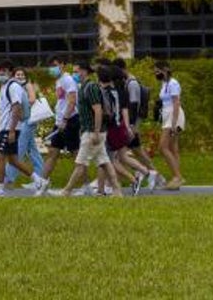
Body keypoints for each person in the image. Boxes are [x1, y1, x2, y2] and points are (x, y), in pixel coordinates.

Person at [50, 62, 121, 197]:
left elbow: (98, 110)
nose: (74, 74)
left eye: (77, 71)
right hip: (91, 131)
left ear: (85, 71)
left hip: (92, 132)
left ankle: (66, 191)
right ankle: (117, 190)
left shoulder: (91, 87)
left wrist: (95, 132)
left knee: (80, 163)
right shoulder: (83, 87)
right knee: (105, 162)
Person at [0, 60, 49, 197]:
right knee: (13, 160)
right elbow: (4, 111)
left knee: (1, 158)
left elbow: (16, 108)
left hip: (10, 129)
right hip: (6, 128)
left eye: (3, 72)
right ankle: (39, 180)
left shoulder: (13, 86)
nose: (0, 74)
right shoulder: (4, 87)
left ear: (10, 72)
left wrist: (11, 130)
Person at [115, 58, 160, 193]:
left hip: (132, 122)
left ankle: (146, 173)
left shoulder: (132, 83)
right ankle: (154, 174)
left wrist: (132, 125)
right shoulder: (127, 82)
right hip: (130, 122)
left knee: (121, 153)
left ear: (122, 69)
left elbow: (134, 104)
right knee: (136, 150)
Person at [38, 55, 79, 184]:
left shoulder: (67, 80)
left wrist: (65, 120)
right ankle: (41, 182)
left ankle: (86, 186)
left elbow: (72, 101)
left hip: (69, 120)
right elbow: (62, 102)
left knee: (76, 155)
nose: (52, 69)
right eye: (50, 66)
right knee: (52, 152)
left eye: (55, 65)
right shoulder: (59, 80)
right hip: (60, 121)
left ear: (62, 65)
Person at [4, 67, 46, 190]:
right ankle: (41, 178)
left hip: (28, 120)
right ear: (14, 76)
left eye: (22, 74)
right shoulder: (15, 87)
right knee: (33, 150)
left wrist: (19, 104)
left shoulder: (27, 85)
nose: (20, 76)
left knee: (19, 149)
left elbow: (32, 99)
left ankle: (9, 178)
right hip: (24, 121)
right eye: (18, 74)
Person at [154, 60, 184, 190]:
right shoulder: (164, 83)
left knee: (163, 147)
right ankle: (176, 178)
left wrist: (173, 124)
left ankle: (178, 176)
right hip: (167, 114)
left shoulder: (173, 83)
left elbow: (176, 103)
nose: (156, 73)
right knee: (173, 148)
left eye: (158, 71)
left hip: (173, 115)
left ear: (165, 70)